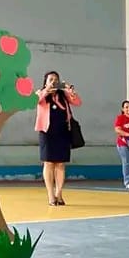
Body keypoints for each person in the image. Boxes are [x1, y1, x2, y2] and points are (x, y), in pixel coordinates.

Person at [35, 71, 82, 206]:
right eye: (51, 79)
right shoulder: (41, 93)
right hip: (47, 132)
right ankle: (51, 195)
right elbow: (36, 101)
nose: (54, 82)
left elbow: (78, 102)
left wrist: (69, 89)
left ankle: (59, 194)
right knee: (49, 163)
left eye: (56, 79)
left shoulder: (64, 95)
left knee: (60, 164)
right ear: (45, 82)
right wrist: (47, 91)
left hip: (63, 132)